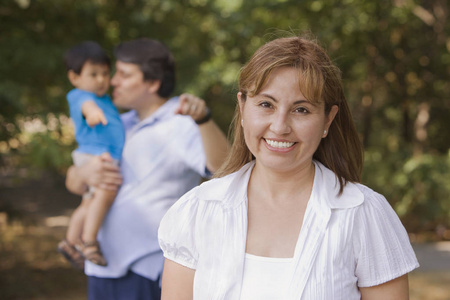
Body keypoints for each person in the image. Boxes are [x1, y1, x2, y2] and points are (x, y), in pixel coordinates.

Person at [158, 35, 419, 299]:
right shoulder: (197, 210)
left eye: (301, 110)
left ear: (328, 119)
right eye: (266, 105)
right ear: (242, 107)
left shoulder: (364, 214)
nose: (280, 126)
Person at [65, 38, 229, 299]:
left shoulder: (182, 123)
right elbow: (74, 183)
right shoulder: (118, 123)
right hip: (102, 267)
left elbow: (224, 169)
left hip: (145, 267)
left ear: (152, 83)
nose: (113, 81)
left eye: (124, 74)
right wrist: (82, 174)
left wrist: (204, 120)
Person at [58, 41, 125, 269]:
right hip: (96, 156)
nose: (100, 79)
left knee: (87, 205)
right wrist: (92, 113)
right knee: (106, 191)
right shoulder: (79, 95)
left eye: (105, 73)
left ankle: (69, 241)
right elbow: (85, 106)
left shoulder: (106, 98)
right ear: (75, 77)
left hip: (100, 154)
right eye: (93, 74)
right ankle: (89, 242)